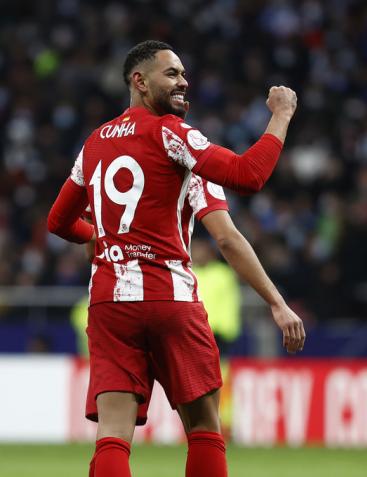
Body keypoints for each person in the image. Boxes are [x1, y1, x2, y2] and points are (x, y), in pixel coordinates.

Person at [47, 40, 305, 477]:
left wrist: (107, 239)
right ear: (139, 81)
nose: (184, 81)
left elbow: (57, 222)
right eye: (172, 74)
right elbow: (247, 176)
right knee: (204, 428)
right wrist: (280, 115)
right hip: (170, 298)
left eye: (184, 74)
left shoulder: (93, 144)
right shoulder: (176, 137)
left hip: (110, 303)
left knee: (112, 433)